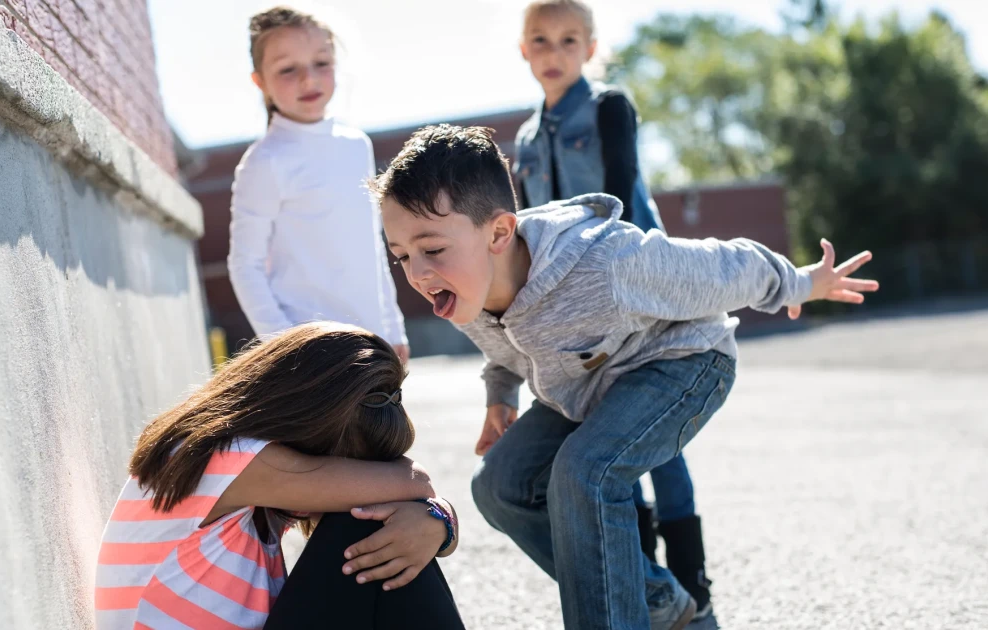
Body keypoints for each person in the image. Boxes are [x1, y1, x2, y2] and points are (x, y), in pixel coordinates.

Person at [373, 125, 877, 630]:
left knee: (584, 472)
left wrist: (802, 283)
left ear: (499, 234)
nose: (416, 273)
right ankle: (653, 598)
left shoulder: (606, 263)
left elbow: (726, 266)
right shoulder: (473, 289)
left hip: (683, 364)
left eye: (432, 249)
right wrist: (499, 398)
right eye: (401, 256)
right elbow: (504, 352)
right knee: (499, 486)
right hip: (586, 387)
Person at [511, 0, 703, 612]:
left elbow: (619, 189)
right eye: (540, 41)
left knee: (659, 443)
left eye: (569, 41)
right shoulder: (524, 138)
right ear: (524, 51)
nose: (554, 53)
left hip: (639, 293)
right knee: (608, 441)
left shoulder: (608, 107)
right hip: (574, 311)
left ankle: (694, 584)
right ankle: (647, 586)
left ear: (590, 49)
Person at [93, 322, 466, 629]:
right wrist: (434, 513)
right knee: (365, 523)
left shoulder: (246, 474)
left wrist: (435, 521)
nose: (353, 477)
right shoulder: (225, 456)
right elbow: (414, 484)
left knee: (387, 528)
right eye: (350, 464)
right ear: (309, 424)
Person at [228, 7, 409, 361]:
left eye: (321, 63)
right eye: (287, 69)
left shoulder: (357, 145)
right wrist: (284, 345)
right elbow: (244, 265)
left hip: (373, 343)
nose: (308, 79)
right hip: (310, 356)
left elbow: (372, 247)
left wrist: (393, 328)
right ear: (259, 81)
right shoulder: (265, 161)